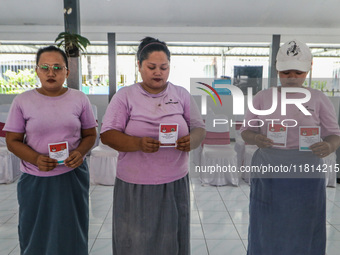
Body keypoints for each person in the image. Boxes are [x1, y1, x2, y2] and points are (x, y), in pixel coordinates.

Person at [100, 36, 205, 255]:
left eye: (164, 67)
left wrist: (191, 140)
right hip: (135, 185)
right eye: (151, 67)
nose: (158, 72)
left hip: (174, 182)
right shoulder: (125, 96)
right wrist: (136, 143)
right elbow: (108, 135)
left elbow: (198, 127)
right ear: (139, 66)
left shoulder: (181, 94)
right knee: (136, 241)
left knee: (171, 239)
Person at [241, 39, 340, 255]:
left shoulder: (319, 99)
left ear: (309, 69)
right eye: (286, 72)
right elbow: (246, 131)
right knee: (266, 224)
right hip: (269, 168)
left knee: (305, 223)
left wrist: (329, 146)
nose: (292, 77)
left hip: (306, 170)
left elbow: (334, 134)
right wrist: (257, 139)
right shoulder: (263, 97)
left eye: (298, 72)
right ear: (277, 68)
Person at [4, 46, 97, 255]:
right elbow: (13, 140)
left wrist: (80, 152)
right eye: (44, 67)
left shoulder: (79, 99)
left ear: (67, 72)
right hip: (36, 178)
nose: (51, 72)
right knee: (35, 229)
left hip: (71, 175)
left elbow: (91, 134)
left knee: (71, 229)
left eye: (57, 67)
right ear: (36, 71)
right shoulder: (23, 101)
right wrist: (36, 159)